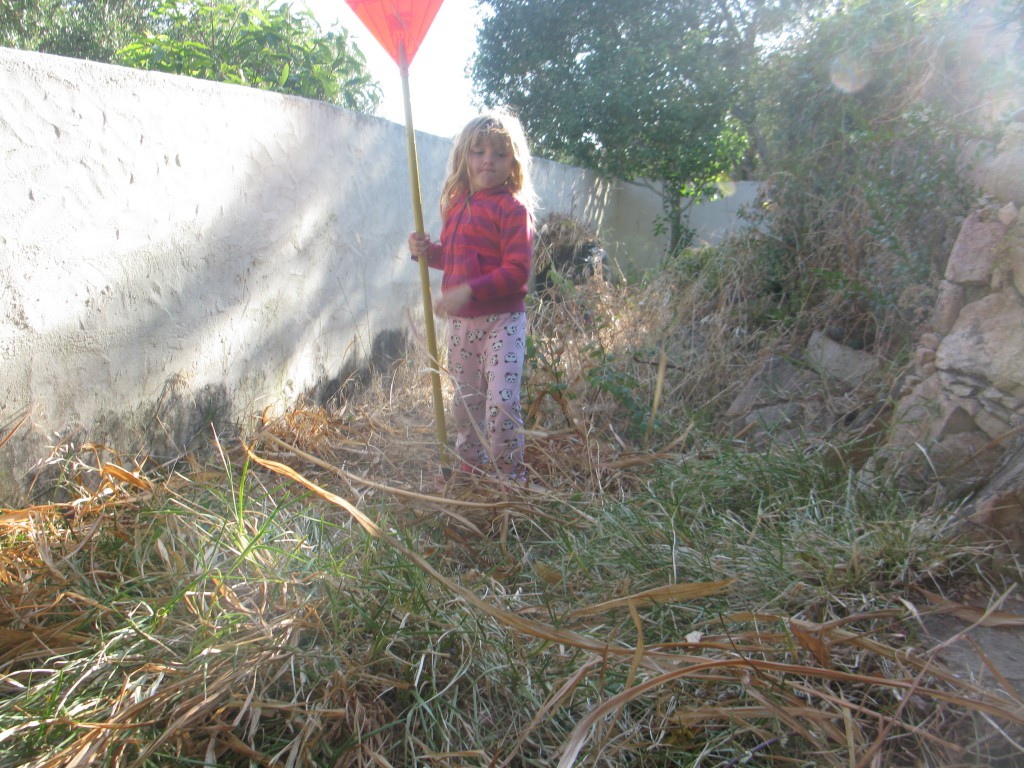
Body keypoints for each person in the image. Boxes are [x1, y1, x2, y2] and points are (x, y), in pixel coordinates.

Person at [409, 111, 537, 484]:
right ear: (465, 157)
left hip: (502, 322)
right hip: (463, 325)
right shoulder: (456, 207)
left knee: (501, 403)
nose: (487, 161)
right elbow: (451, 257)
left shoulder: (513, 210)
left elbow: (517, 272)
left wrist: (469, 290)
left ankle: (510, 477)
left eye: (498, 154)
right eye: (478, 152)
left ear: (512, 162)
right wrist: (424, 251)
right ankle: (470, 465)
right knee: (466, 404)